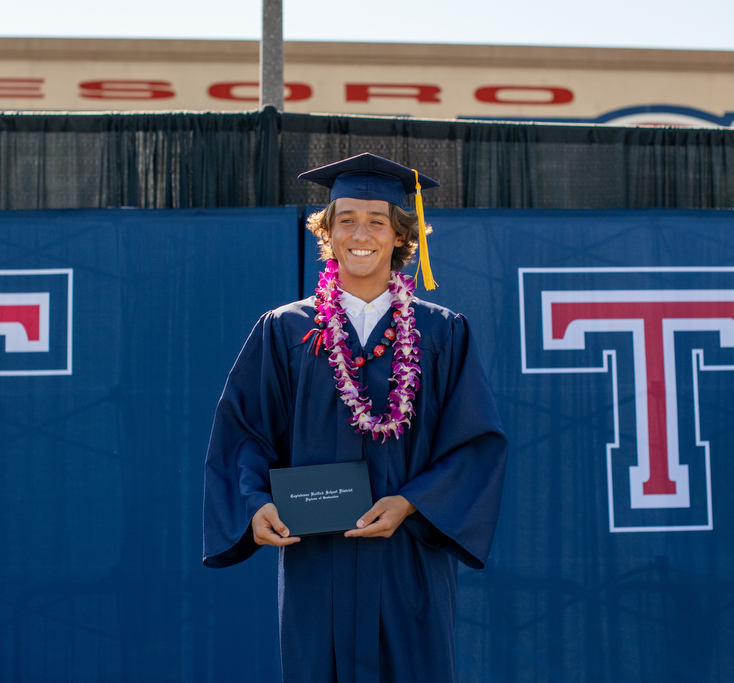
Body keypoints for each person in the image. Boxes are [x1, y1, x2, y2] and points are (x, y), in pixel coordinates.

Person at [202, 153, 508, 683]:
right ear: (328, 232)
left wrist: (413, 503)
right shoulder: (285, 331)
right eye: (345, 220)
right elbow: (244, 432)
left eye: (376, 221)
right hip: (317, 560)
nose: (359, 233)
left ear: (400, 236)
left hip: (407, 557)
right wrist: (254, 505)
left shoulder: (441, 334)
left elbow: (474, 442)